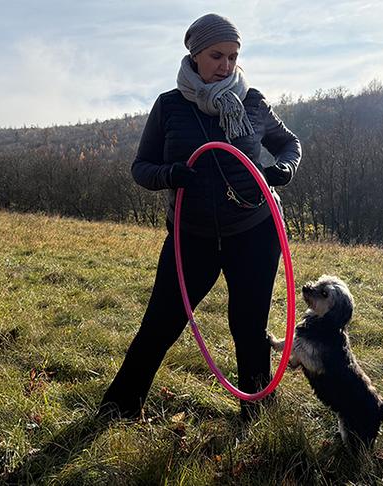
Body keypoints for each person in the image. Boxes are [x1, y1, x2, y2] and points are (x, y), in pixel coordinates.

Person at [99, 13, 302, 421]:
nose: (225, 65)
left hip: (253, 231)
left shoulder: (253, 101)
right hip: (190, 236)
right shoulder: (170, 107)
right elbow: (141, 167)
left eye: (233, 56)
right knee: (161, 322)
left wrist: (283, 169)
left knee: (248, 327)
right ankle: (118, 408)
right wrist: (168, 175)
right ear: (194, 55)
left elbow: (289, 144)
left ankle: (257, 411)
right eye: (216, 56)